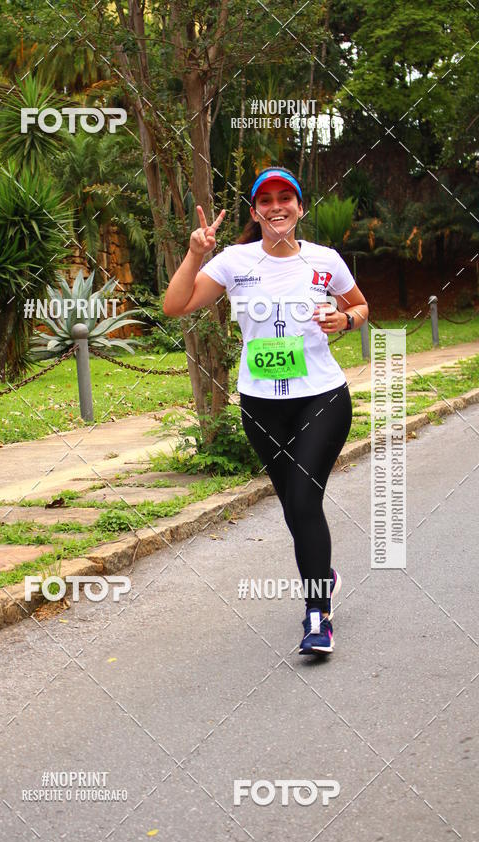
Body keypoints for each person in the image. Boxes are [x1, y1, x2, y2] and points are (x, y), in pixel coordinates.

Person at [163, 166, 369, 655]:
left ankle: (317, 614)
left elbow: (361, 306)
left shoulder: (325, 261)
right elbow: (176, 306)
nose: (277, 207)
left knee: (303, 501)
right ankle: (326, 576)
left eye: (286, 198)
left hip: (322, 396)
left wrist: (344, 319)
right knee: (296, 509)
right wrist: (195, 255)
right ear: (255, 212)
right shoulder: (235, 261)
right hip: (261, 405)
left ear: (299, 207)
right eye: (267, 200)